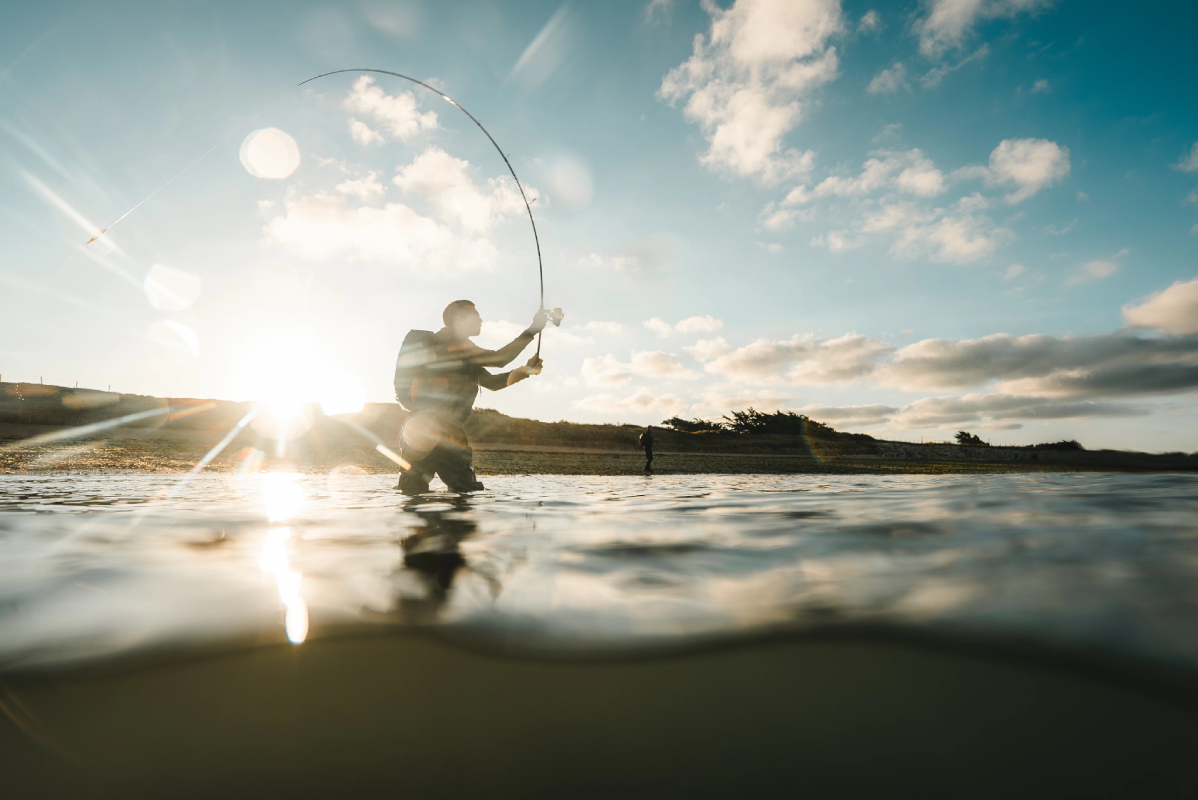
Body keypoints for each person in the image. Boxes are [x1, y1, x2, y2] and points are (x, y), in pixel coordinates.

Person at [397, 301, 548, 494]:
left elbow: (493, 383)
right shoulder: (450, 341)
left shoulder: (461, 354)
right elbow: (499, 359)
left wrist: (526, 370)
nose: (480, 319)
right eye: (475, 315)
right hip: (437, 431)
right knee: (463, 495)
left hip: (422, 431)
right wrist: (533, 329)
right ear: (459, 319)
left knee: (414, 495)